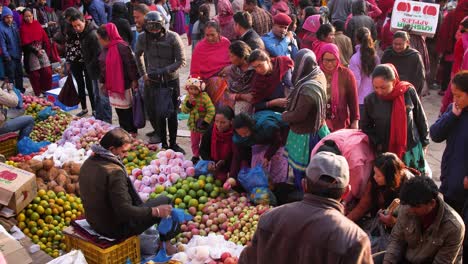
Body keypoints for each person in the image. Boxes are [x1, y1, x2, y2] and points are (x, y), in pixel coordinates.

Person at [239, 151, 373, 264]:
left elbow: (246, 259)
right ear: (346, 192)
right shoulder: (355, 240)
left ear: (304, 185)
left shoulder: (269, 218)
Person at [79, 128, 180, 251]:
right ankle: (167, 246)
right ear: (111, 149)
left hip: (94, 222)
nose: (126, 155)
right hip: (114, 229)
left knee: (142, 204)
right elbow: (125, 211)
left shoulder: (88, 163)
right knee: (166, 201)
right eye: (123, 151)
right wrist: (155, 211)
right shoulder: (114, 172)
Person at [361, 64, 429, 174]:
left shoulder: (407, 92)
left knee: (412, 183)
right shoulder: (370, 100)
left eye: (383, 87)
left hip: (410, 149)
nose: (379, 91)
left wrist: (425, 142)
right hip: (386, 153)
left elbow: (420, 117)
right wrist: (378, 143)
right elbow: (365, 126)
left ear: (393, 81)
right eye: (375, 87)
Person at [382, 176, 464, 264]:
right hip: (407, 258)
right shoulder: (407, 206)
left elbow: (442, 261)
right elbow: (396, 241)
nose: (410, 210)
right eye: (408, 206)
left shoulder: (453, 228)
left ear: (432, 203)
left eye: (415, 207)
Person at [135, 11, 186, 152]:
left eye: (156, 28)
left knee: (172, 113)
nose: (154, 31)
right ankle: (163, 143)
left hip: (171, 80)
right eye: (150, 28)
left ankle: (174, 143)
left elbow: (181, 61)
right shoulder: (142, 38)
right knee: (158, 113)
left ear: (162, 26)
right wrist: (143, 74)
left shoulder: (173, 37)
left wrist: (164, 70)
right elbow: (137, 55)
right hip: (152, 81)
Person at [282, 49, 330, 190]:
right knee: (315, 170)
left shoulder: (308, 88)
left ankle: (304, 199)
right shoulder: (318, 74)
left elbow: (299, 115)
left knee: (304, 173)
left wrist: (284, 115)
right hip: (318, 127)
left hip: (305, 135)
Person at [430, 71, 468, 214]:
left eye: (459, 96)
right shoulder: (453, 110)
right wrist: (451, 116)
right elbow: (435, 134)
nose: (455, 99)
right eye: (453, 95)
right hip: (449, 180)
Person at [346, 152, 416, 225]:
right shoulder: (375, 177)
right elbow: (363, 205)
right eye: (374, 173)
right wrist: (345, 221)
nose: (374, 177)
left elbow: (411, 221)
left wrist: (393, 221)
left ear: (390, 178)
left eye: (379, 176)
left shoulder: (409, 187)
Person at [311, 130, 375, 207]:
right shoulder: (315, 153)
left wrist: (344, 202)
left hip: (357, 149)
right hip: (344, 140)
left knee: (358, 192)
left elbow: (357, 188)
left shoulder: (356, 162)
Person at [70, 11, 112, 123]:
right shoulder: (83, 33)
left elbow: (99, 55)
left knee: (103, 98)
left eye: (79, 25)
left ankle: (107, 122)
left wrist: (90, 65)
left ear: (84, 21)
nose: (77, 28)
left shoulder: (93, 34)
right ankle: (99, 119)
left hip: (99, 71)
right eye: (74, 26)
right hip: (92, 70)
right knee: (96, 96)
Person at [97, 23, 139, 135]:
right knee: (119, 109)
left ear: (106, 37)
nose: (99, 41)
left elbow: (131, 65)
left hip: (124, 84)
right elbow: (103, 67)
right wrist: (102, 82)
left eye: (100, 38)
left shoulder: (122, 47)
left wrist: (134, 80)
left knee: (127, 110)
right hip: (112, 85)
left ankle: (131, 130)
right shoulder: (105, 49)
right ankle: (124, 129)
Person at [233, 111, 289, 184]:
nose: (243, 136)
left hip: (281, 133)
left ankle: (278, 186)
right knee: (258, 165)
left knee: (277, 164)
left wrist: (267, 156)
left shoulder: (267, 126)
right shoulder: (240, 137)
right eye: (240, 134)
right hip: (263, 137)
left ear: (251, 127)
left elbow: (277, 141)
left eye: (245, 133)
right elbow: (239, 153)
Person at [317, 43, 359, 131]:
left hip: (340, 123)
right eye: (326, 60)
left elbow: (353, 99)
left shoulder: (346, 74)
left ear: (338, 58)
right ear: (321, 59)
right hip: (319, 124)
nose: (329, 64)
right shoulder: (317, 74)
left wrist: (355, 121)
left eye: (333, 60)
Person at [190, 21, 232, 107]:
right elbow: (195, 71)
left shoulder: (226, 43)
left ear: (219, 33)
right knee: (217, 83)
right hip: (208, 80)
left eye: (212, 35)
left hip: (228, 76)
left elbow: (234, 61)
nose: (209, 38)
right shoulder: (200, 47)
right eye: (207, 35)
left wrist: (229, 68)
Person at [63, 7, 95, 118]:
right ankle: (84, 108)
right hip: (74, 60)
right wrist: (67, 60)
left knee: (90, 85)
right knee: (80, 85)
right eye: (67, 19)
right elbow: (67, 45)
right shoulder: (68, 27)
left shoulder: (85, 28)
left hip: (85, 59)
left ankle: (94, 108)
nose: (68, 21)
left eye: (68, 18)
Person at [181, 77, 216, 164]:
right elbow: (184, 110)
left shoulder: (204, 97)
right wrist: (188, 104)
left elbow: (211, 110)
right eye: (190, 89)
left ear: (200, 89)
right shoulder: (188, 97)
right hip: (193, 125)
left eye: (195, 89)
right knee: (194, 142)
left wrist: (206, 121)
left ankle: (205, 156)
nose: (192, 91)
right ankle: (196, 155)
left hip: (204, 125)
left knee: (204, 142)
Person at [19, 8, 53, 97]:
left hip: (41, 49)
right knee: (35, 74)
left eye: (30, 16)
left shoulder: (36, 24)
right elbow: (25, 44)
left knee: (47, 71)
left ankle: (46, 89)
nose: (28, 18)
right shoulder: (23, 28)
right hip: (31, 52)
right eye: (26, 16)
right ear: (23, 17)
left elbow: (44, 37)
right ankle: (38, 92)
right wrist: (35, 51)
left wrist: (45, 48)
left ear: (32, 16)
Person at [381, 31, 426, 96]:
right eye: (395, 44)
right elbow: (382, 73)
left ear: (407, 43)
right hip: (389, 91)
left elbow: (420, 77)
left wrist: (413, 94)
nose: (397, 47)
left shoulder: (415, 56)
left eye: (400, 44)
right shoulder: (387, 54)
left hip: (407, 92)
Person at [348, 27, 379, 117]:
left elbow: (356, 82)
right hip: (374, 97)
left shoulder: (355, 58)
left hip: (360, 100)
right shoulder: (375, 57)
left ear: (356, 39)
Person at [200, 106, 235, 182]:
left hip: (231, 165)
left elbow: (238, 155)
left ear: (231, 121)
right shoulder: (210, 131)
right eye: (216, 121)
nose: (219, 125)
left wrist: (225, 161)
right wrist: (209, 161)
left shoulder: (236, 133)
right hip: (213, 164)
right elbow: (203, 150)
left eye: (223, 122)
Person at [221, 40, 255, 114]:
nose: (230, 59)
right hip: (237, 99)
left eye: (232, 56)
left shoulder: (255, 67)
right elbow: (231, 91)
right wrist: (241, 96)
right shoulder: (233, 70)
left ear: (242, 56)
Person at [0, 7, 23, 93]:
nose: (9, 19)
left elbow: (18, 39)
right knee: (11, 76)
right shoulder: (1, 28)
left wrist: (20, 52)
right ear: (3, 17)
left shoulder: (13, 24)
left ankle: (20, 91)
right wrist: (6, 56)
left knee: (19, 74)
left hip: (17, 53)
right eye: (7, 17)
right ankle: (13, 93)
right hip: (9, 56)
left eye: (11, 17)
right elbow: (2, 44)